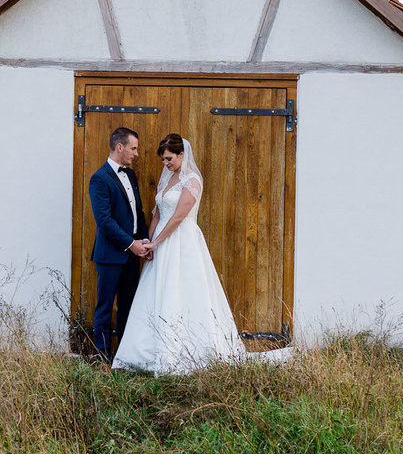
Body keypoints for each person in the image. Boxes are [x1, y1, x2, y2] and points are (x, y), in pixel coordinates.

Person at [112, 134, 290, 375]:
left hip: (182, 241)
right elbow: (157, 214)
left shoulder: (193, 180)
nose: (166, 164)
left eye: (169, 159)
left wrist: (157, 242)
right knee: (157, 292)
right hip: (160, 244)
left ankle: (186, 351)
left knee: (184, 292)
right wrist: (149, 241)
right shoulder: (166, 180)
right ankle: (145, 352)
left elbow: (177, 217)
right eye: (163, 160)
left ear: (182, 155)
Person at [87, 126, 151, 363]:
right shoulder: (99, 178)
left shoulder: (131, 175)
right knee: (104, 309)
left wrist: (145, 242)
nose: (136, 153)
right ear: (120, 147)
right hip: (111, 255)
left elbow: (138, 212)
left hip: (133, 255)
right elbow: (104, 220)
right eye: (133, 148)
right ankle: (102, 359)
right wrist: (130, 244)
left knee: (128, 308)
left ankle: (124, 359)